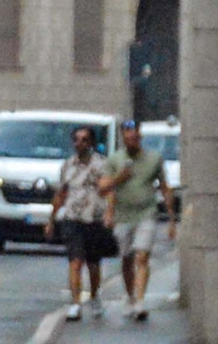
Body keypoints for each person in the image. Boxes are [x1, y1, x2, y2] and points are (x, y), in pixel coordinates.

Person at [98, 119, 175, 322]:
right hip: (123, 215)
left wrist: (172, 220)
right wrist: (119, 179)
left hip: (146, 213)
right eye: (127, 138)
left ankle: (140, 301)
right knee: (127, 258)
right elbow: (102, 188)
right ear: (123, 139)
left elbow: (165, 187)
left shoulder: (154, 158)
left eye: (134, 138)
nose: (131, 141)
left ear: (139, 138)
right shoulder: (115, 160)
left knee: (142, 256)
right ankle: (130, 296)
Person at [50, 127, 114, 321]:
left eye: (85, 140)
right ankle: (75, 302)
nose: (80, 144)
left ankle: (94, 297)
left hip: (94, 218)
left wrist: (110, 212)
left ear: (91, 143)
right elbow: (61, 193)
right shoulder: (67, 165)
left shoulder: (102, 164)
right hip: (73, 218)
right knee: (75, 261)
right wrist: (51, 218)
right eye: (77, 140)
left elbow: (109, 190)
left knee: (93, 264)